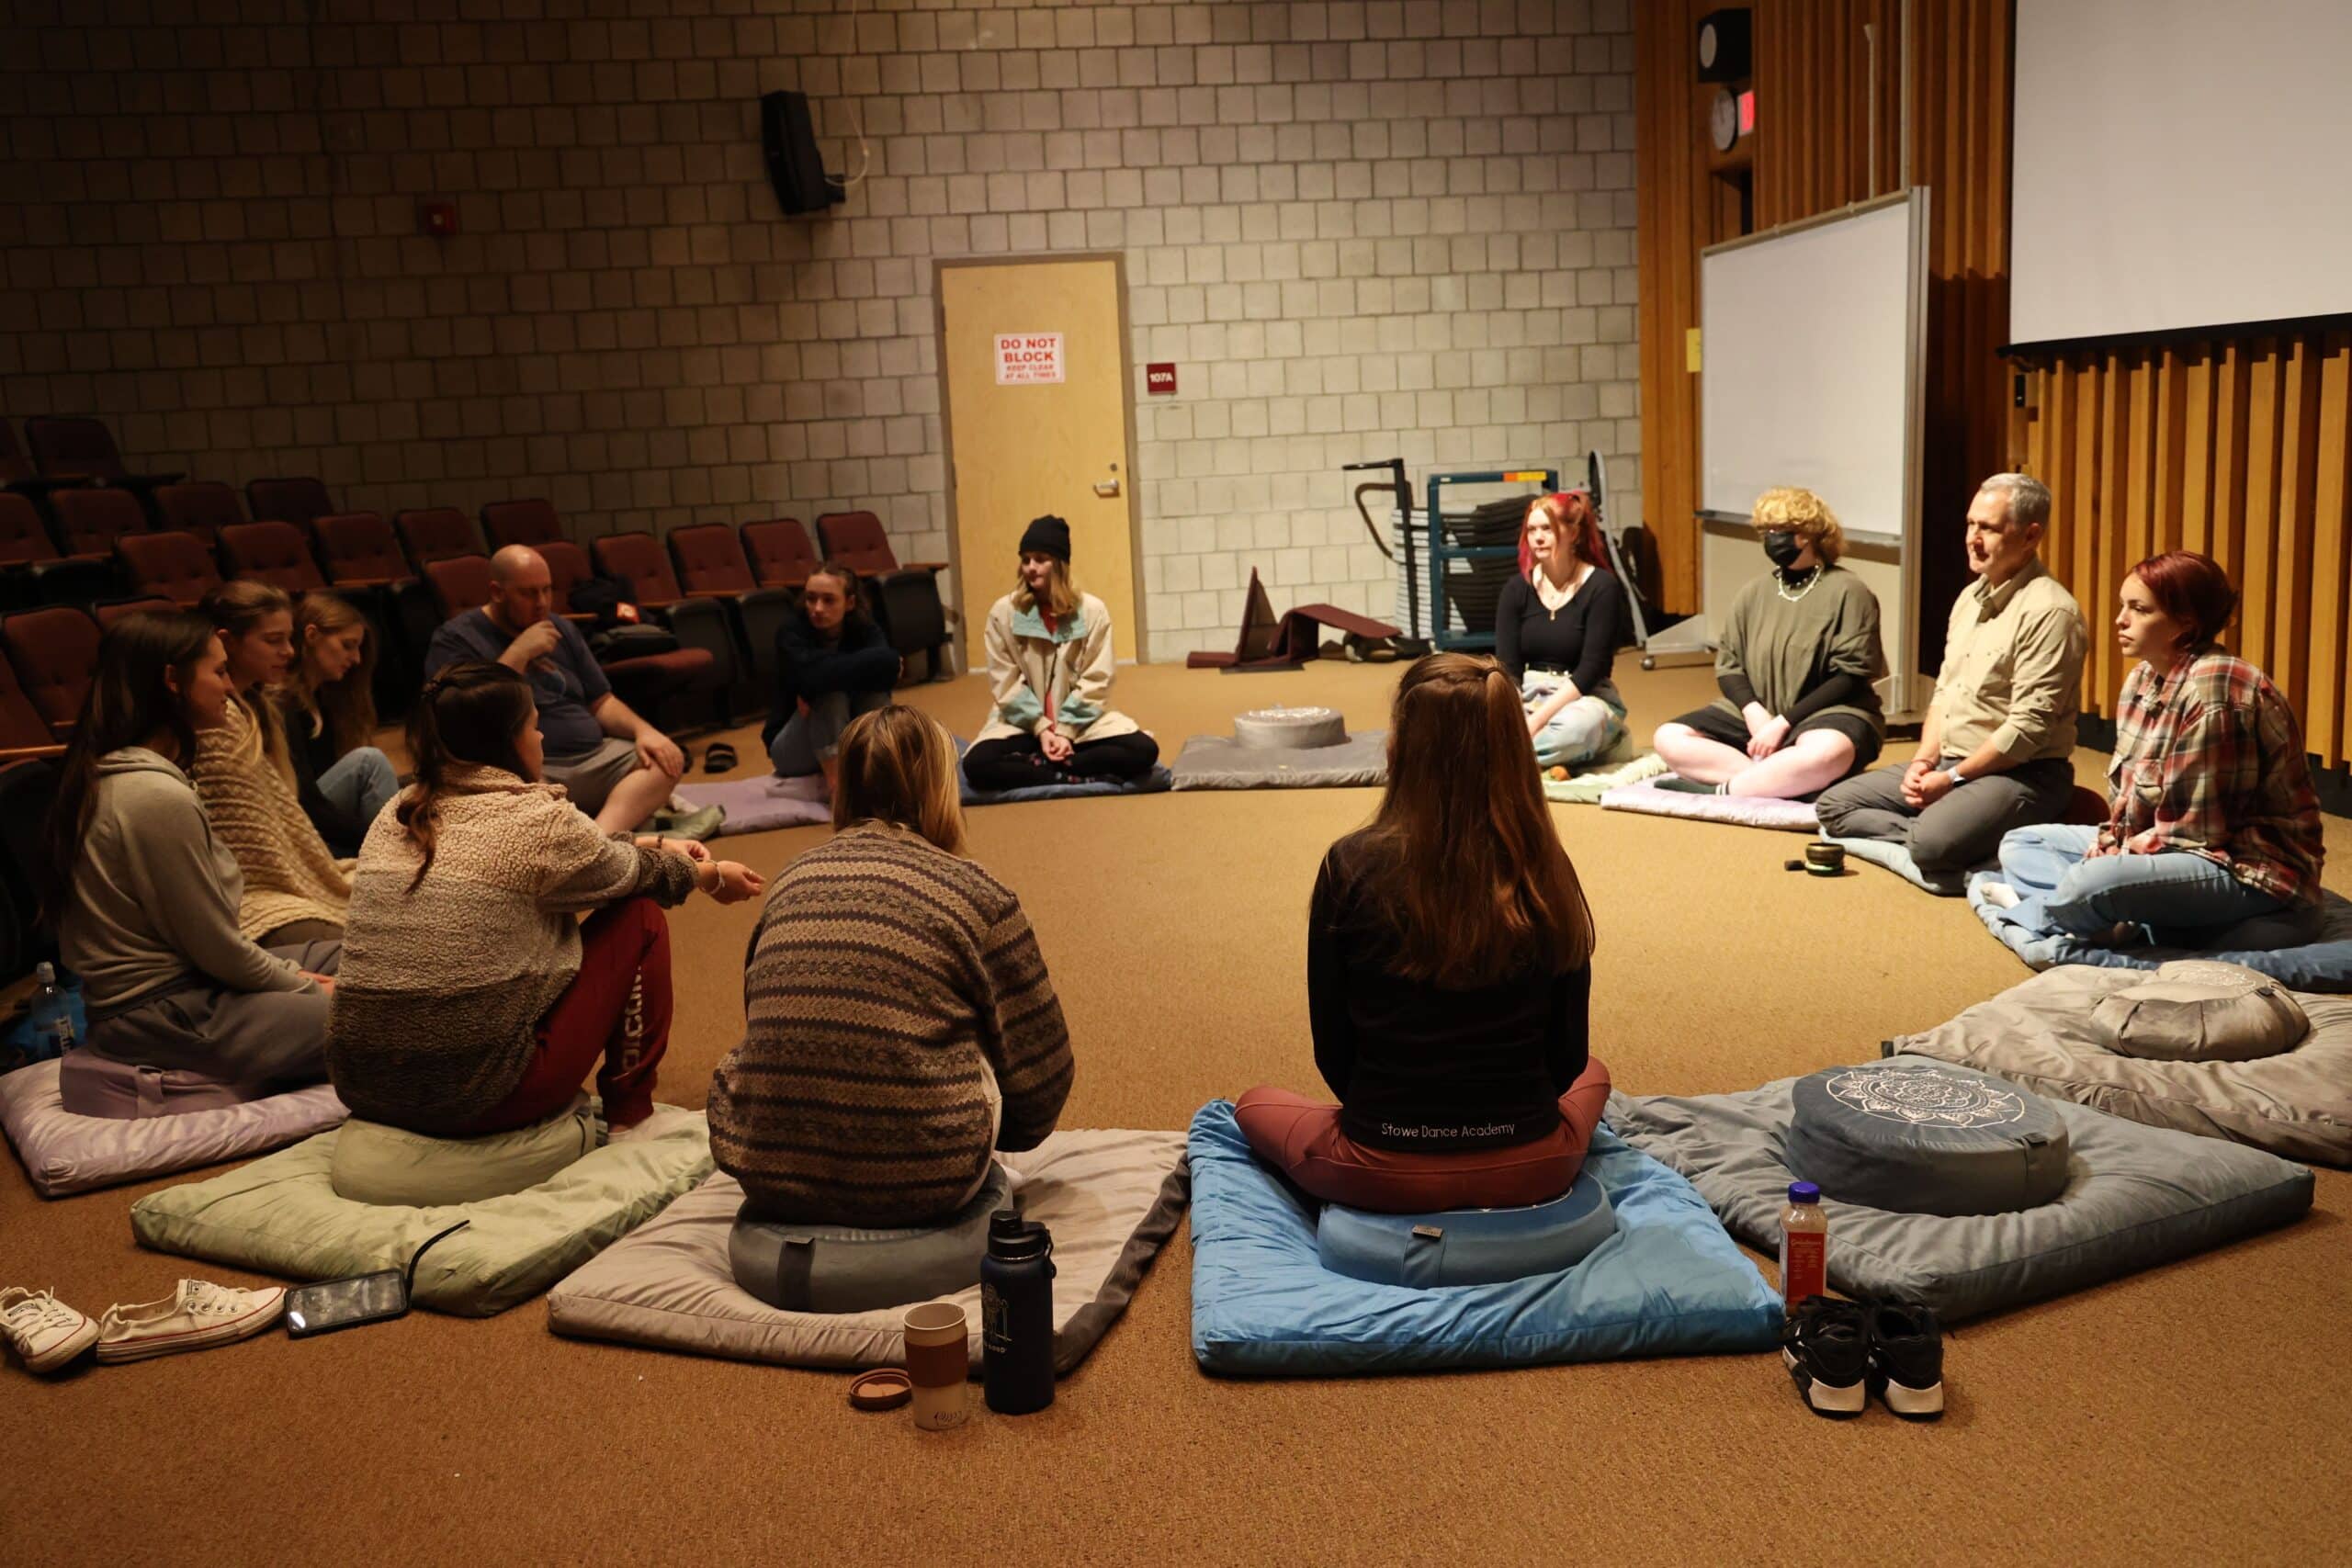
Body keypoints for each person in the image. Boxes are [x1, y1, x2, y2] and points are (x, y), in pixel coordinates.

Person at [1233, 652, 1611, 1213]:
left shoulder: (1348, 866)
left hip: (1382, 1167)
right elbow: (1568, 1054)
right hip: (1531, 1167)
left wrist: (1405, 1129)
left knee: (1253, 1104)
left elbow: (1333, 1049)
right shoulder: (1546, 867)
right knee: (1597, 1077)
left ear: (1401, 751)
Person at [328, 661, 763, 1137]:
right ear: (506, 741)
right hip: (476, 1097)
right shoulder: (536, 821)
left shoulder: (398, 808)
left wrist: (652, 842)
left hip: (362, 1086)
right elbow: (631, 875)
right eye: (534, 726)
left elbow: (584, 856)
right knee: (639, 916)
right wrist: (710, 876)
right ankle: (631, 1116)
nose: (541, 740)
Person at [710, 704, 1074, 1225]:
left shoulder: (789, 881)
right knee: (989, 1033)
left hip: (765, 1173)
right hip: (930, 1180)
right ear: (940, 788)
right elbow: (1044, 1079)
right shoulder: (979, 896)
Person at [37, 612, 335, 1108]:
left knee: (356, 956)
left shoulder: (127, 773)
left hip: (196, 986)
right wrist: (307, 990)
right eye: (218, 673)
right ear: (172, 681)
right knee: (375, 1013)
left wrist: (305, 978)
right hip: (163, 1015)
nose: (229, 687)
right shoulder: (151, 795)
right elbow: (217, 949)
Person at [1980, 551, 2325, 950]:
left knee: (2093, 882)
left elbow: (2198, 833)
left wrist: (2113, 863)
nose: (2120, 620)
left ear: (2185, 625)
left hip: (2245, 868)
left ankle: (2031, 913)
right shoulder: (2143, 677)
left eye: (2138, 609)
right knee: (2024, 842)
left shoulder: (2213, 692)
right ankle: (2097, 917)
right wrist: (2112, 848)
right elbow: (2129, 805)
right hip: (2172, 845)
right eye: (2122, 605)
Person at [1814, 475, 2087, 870]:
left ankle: (1956, 833)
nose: (1973, 539)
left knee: (1931, 847)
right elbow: (1945, 693)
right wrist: (1923, 763)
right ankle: (1965, 832)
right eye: (1971, 524)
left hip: (2023, 774)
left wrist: (1953, 779)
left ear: (2030, 536)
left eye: (1988, 528)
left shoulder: (2050, 612)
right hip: (1950, 764)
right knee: (1834, 806)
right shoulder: (1969, 599)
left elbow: (2028, 729)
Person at [423, 544, 716, 838]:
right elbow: (460, 714)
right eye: (528, 593)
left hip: (592, 756)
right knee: (522, 795)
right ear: (497, 592)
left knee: (665, 761)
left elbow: (602, 701)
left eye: (547, 590)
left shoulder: (561, 627)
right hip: (526, 766)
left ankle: (598, 837)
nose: (541, 603)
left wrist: (644, 731)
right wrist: (519, 653)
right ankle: (593, 837)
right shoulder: (455, 638)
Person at [1653, 486, 1887, 798]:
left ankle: (1729, 790)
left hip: (1829, 713)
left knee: (1825, 753)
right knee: (1668, 737)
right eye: (1766, 531)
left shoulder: (1849, 590)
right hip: (1759, 716)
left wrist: (1782, 723)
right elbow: (1729, 665)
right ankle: (1780, 780)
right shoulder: (1753, 592)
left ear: (1808, 534)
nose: (1771, 538)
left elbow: (1851, 675)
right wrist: (1754, 712)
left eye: (1780, 530)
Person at [194, 581, 351, 945]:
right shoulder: (218, 720)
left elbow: (289, 808)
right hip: (247, 892)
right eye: (273, 640)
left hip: (292, 867)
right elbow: (246, 839)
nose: (289, 652)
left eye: (290, 639)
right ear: (227, 641)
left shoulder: (261, 704)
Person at [962, 515, 1159, 792]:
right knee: (976, 765)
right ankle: (1069, 774)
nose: (1030, 568)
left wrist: (1065, 731)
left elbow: (1097, 681)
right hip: (1024, 724)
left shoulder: (1092, 611)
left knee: (1144, 750)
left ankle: (1041, 766)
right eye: (1026, 559)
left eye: (1040, 559)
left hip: (1080, 723)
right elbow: (1005, 684)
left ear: (1059, 564)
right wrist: (1042, 729)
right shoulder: (1003, 613)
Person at [1494, 491, 1631, 771]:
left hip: (1583, 697)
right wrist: (1515, 714)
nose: (1538, 537)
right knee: (1475, 719)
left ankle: (1502, 761)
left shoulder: (1602, 587)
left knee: (1576, 731)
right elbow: (1508, 667)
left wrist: (1536, 721)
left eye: (1547, 528)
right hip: (1530, 692)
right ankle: (1539, 759)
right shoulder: (1516, 589)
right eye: (1531, 530)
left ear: (1574, 533)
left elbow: (1593, 668)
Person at [277, 591, 401, 855]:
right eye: (347, 645)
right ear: (312, 636)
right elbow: (306, 801)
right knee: (369, 762)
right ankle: (399, 855)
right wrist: (374, 837)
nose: (356, 659)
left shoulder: (328, 699)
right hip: (296, 827)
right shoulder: (283, 703)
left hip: (328, 822)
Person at [761, 558, 898, 794]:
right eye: (811, 598)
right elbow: (814, 680)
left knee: (873, 695)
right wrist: (861, 670)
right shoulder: (791, 631)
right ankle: (839, 789)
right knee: (829, 696)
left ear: (850, 603)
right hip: (792, 750)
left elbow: (889, 667)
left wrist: (826, 673)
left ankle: (879, 775)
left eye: (829, 600)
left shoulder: (864, 628)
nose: (817, 608)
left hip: (847, 733)